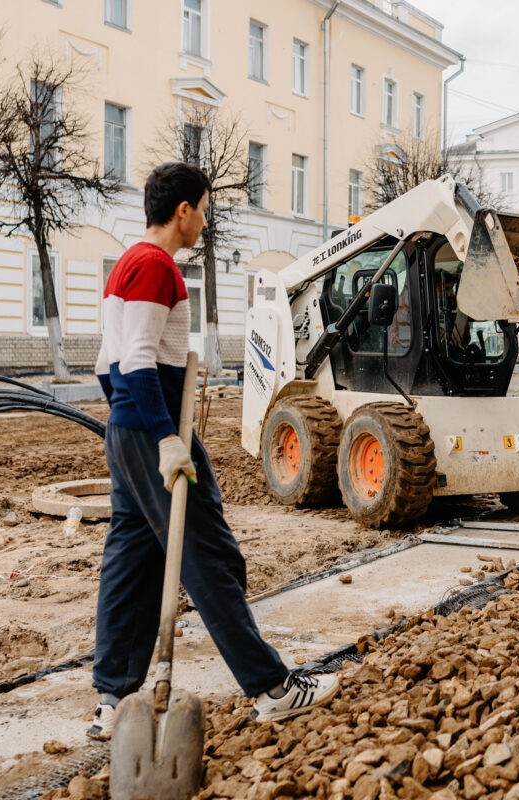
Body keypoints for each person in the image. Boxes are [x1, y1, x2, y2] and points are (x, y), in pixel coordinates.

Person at [87, 162, 337, 741]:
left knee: (131, 563)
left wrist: (127, 425)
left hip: (128, 428)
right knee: (210, 557)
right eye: (204, 208)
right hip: (157, 427)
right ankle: (272, 688)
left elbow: (107, 366)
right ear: (184, 211)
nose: (205, 219)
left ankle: (112, 702)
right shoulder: (156, 267)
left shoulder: (126, 262)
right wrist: (167, 440)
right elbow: (138, 360)